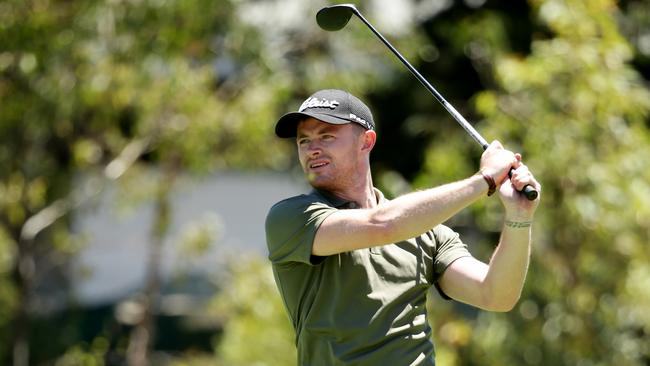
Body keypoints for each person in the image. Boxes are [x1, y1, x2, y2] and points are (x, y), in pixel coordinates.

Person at [265, 89, 541, 365]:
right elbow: (383, 225)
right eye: (304, 141)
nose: (312, 149)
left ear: (366, 141)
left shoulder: (425, 231)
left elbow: (495, 294)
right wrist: (484, 180)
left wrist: (519, 216)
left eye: (326, 136)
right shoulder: (292, 217)